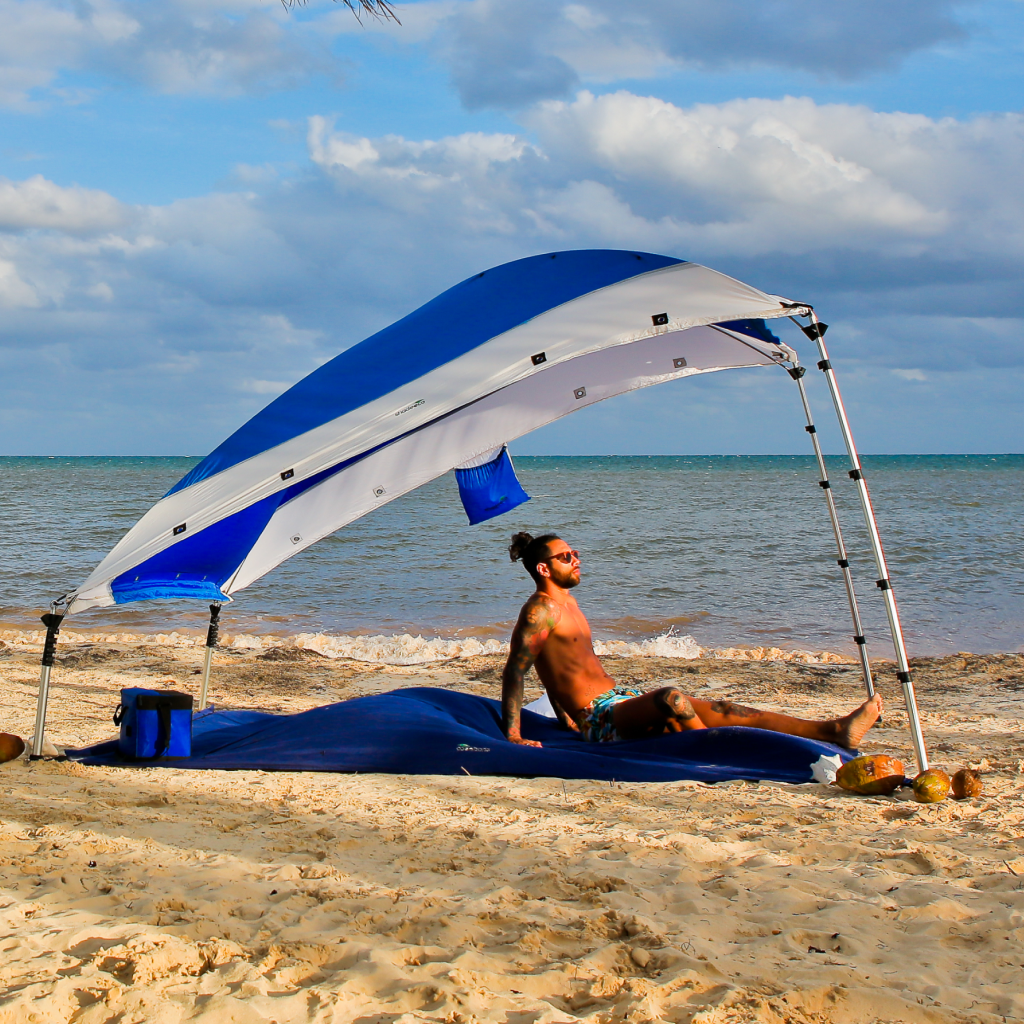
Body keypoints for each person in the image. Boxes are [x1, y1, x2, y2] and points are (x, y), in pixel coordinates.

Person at [500, 531, 882, 748]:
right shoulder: (540, 611)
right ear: (543, 568)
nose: (577, 559)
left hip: (620, 701)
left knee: (730, 709)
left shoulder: (569, 603)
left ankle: (834, 731)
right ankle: (719, 753)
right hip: (600, 720)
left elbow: (558, 670)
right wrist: (515, 735)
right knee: (672, 699)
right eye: (567, 556)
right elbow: (516, 672)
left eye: (576, 552)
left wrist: (561, 716)